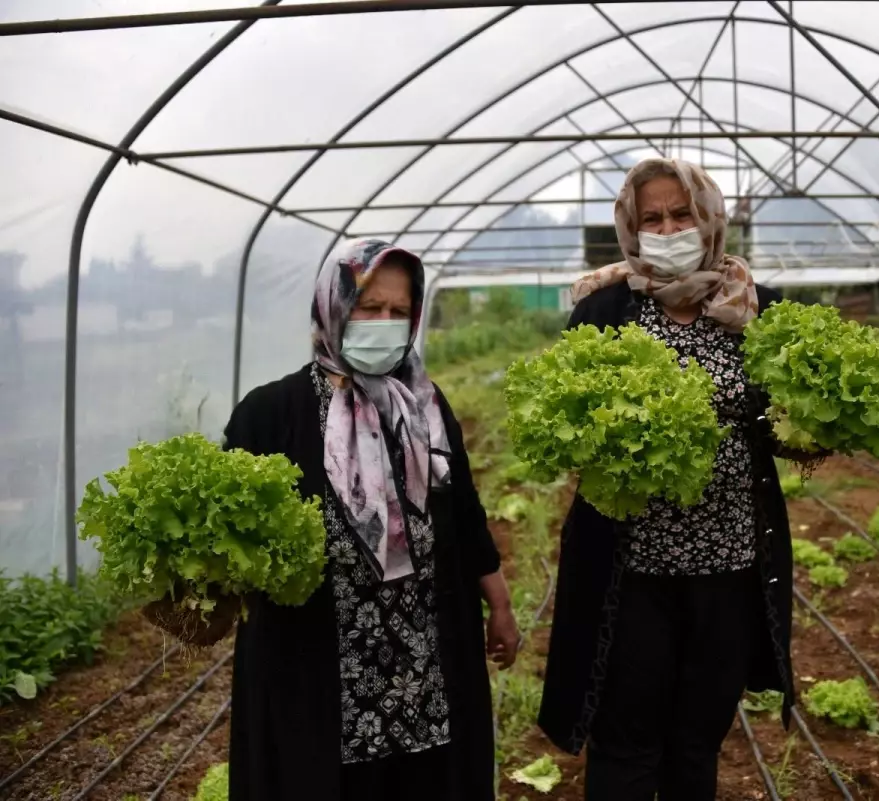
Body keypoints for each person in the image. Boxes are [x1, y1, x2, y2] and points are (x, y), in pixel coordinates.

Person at [538, 158, 799, 801]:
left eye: (682, 214)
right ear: (630, 228)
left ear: (709, 218)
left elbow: (782, 422)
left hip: (730, 566)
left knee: (698, 740)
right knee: (626, 741)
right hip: (633, 575)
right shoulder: (604, 309)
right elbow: (571, 422)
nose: (668, 228)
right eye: (651, 218)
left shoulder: (759, 311)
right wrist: (616, 441)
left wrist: (810, 427)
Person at [223, 238, 518, 801]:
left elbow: (464, 515)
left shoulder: (426, 407)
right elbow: (232, 543)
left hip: (424, 663)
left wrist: (500, 605)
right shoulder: (269, 415)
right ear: (334, 307)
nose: (384, 322)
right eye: (368, 307)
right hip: (317, 670)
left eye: (397, 312)